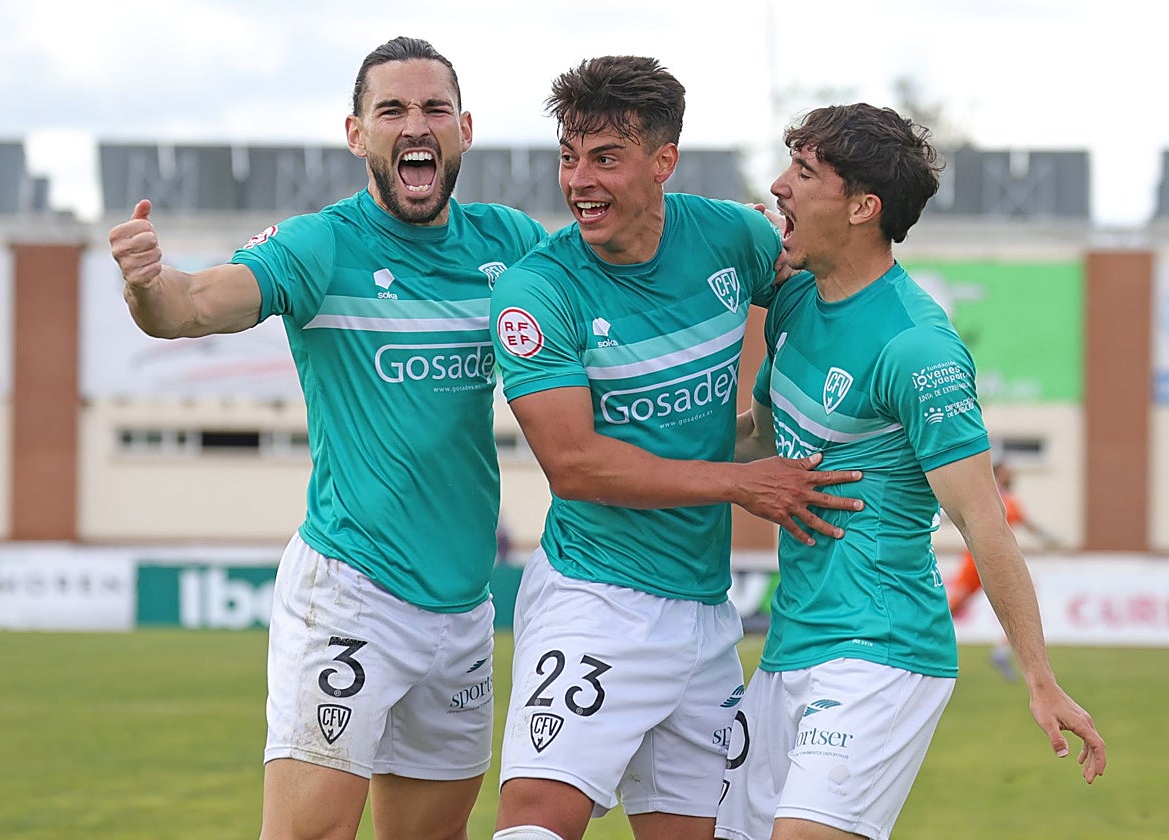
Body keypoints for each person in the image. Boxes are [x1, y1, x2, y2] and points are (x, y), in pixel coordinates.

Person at [108, 36, 547, 840]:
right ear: (357, 134)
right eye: (392, 111)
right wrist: (147, 286)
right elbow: (193, 305)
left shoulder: (510, 245)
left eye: (433, 109)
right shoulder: (323, 246)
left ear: (464, 129)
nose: (415, 125)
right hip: (351, 594)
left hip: (464, 607)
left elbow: (607, 312)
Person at [487, 55, 864, 840]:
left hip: (704, 615)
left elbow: (830, 288)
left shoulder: (728, 234)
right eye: (568, 157)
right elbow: (576, 464)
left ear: (664, 162)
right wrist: (740, 480)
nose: (579, 180)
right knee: (535, 822)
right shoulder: (537, 292)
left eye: (605, 158)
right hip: (594, 600)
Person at [715, 103, 1106, 840]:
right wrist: (632, 455)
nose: (778, 187)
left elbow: (982, 519)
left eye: (803, 173)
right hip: (789, 648)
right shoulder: (796, 298)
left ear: (864, 207)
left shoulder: (917, 347)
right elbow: (759, 440)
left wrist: (1039, 678)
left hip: (882, 651)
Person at [947, 460, 1060, 680]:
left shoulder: (1009, 500)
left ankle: (1001, 651)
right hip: (975, 562)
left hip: (999, 563)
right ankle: (921, 640)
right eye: (1008, 472)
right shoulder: (988, 495)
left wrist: (1046, 536)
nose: (1013, 475)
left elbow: (1025, 523)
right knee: (951, 608)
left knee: (1020, 605)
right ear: (998, 474)